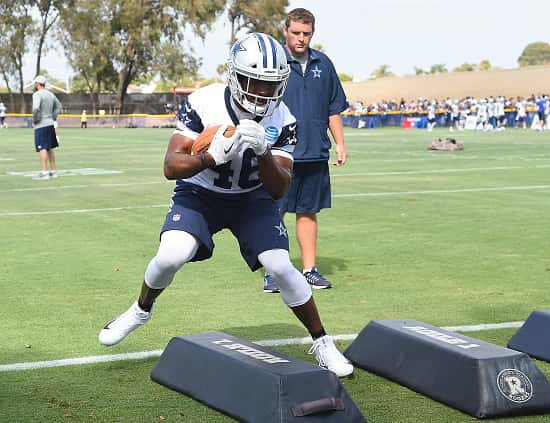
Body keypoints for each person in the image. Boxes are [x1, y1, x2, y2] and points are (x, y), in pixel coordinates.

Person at [98, 32, 353, 378]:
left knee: (279, 266)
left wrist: (264, 152)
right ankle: (141, 309)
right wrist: (208, 157)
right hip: (200, 193)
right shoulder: (205, 102)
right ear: (234, 75)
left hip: (252, 198)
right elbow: (171, 166)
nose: (262, 93)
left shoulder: (284, 119)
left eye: (269, 85)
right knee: (172, 254)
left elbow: (279, 189)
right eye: (254, 82)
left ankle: (322, 341)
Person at [263, 8, 348, 293]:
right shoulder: (273, 63)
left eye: (306, 34)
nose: (301, 39)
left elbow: (334, 109)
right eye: (296, 33)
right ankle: (272, 273)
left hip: (315, 151)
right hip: (280, 153)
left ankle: (309, 270)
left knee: (308, 212)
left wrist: (340, 144)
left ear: (313, 33)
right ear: (285, 31)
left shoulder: (324, 63)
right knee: (275, 213)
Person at [32, 75, 61, 180]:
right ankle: (54, 171)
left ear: (38, 84)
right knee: (49, 148)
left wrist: (35, 120)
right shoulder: (50, 94)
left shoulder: (37, 94)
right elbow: (59, 107)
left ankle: (44, 172)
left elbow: (35, 108)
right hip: (50, 123)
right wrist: (52, 116)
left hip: (41, 124)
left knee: (42, 148)